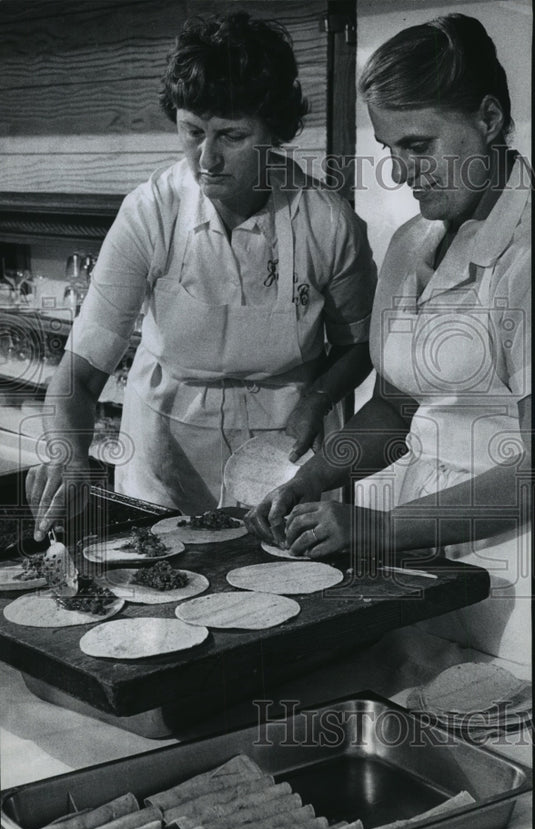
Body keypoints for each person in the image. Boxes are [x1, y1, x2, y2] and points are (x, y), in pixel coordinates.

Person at [246, 13, 531, 671]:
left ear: (487, 119)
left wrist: (378, 529)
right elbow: (395, 411)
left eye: (419, 145)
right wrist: (313, 478)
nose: (403, 172)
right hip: (412, 554)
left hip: (510, 565)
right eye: (390, 148)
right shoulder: (411, 244)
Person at [26, 11, 376, 537]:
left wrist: (317, 398)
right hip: (161, 460)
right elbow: (77, 375)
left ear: (273, 131)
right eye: (192, 132)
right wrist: (70, 452)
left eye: (230, 136)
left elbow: (358, 344)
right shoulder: (150, 213)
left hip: (283, 457)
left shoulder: (328, 223)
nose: (206, 158)